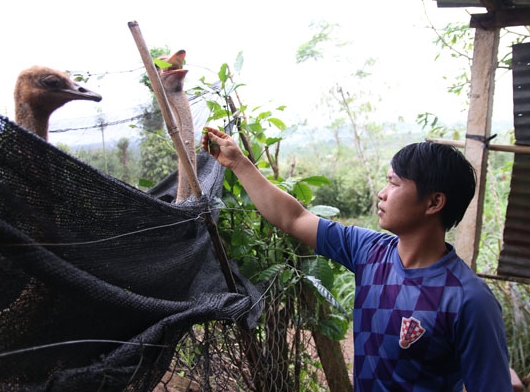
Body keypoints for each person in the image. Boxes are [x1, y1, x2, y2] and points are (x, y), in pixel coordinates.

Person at [202, 127, 512, 391]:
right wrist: (239, 163)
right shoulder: (369, 250)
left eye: (394, 183)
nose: (382, 193)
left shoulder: (469, 301)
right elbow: (293, 218)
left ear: (434, 203)